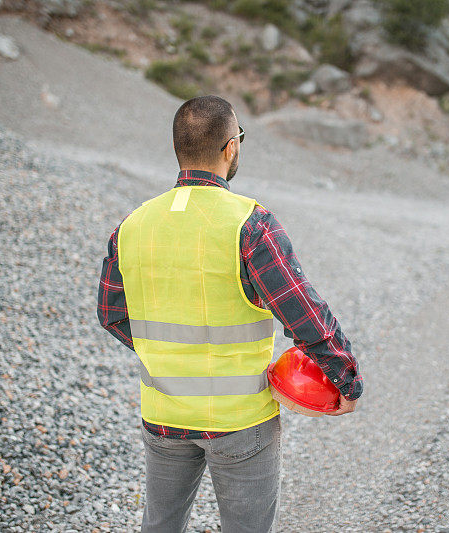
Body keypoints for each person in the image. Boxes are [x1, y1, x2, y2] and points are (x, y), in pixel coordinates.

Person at [97, 95, 363, 532]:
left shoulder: (132, 226)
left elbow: (111, 313)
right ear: (231, 148)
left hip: (163, 414)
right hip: (240, 421)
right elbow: (303, 312)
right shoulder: (250, 223)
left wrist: (168, 359)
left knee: (160, 525)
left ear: (178, 148)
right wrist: (345, 378)